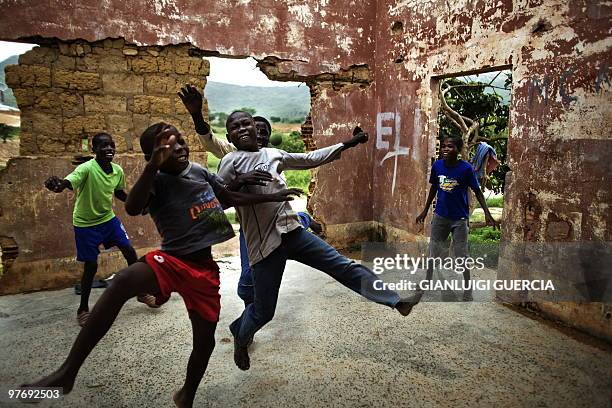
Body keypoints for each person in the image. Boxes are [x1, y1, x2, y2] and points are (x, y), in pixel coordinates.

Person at [23, 123, 301, 407]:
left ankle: (186, 396)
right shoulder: (155, 181)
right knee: (123, 281)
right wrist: (152, 167)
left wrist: (271, 196)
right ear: (153, 155)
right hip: (171, 259)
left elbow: (228, 197)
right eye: (167, 147)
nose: (179, 148)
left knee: (205, 343)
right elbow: (132, 207)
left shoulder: (199, 171)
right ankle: (67, 373)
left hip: (204, 269)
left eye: (180, 141)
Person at [216, 110, 418, 371]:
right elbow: (217, 202)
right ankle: (240, 336)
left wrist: (348, 143)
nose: (242, 129)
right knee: (264, 312)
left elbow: (311, 158)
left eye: (246, 124)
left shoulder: (273, 154)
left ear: (256, 130)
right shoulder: (230, 161)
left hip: (293, 232)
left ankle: (395, 300)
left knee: (343, 265)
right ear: (229, 134)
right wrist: (239, 181)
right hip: (266, 245)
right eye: (235, 127)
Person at [178, 84, 322, 308]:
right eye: (257, 129)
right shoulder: (233, 154)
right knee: (247, 280)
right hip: (252, 227)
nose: (261, 135)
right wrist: (196, 114)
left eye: (265, 132)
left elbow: (308, 159)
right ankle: (250, 316)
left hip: (280, 220)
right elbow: (209, 141)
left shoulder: (274, 156)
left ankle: (303, 219)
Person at [44, 132, 157, 327]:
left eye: (111, 145)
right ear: (93, 150)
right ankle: (83, 309)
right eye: (103, 146)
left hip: (108, 220)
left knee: (129, 252)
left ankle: (141, 292)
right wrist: (59, 185)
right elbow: (68, 182)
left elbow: (119, 193)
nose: (108, 149)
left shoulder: (117, 170)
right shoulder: (86, 168)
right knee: (91, 266)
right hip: (85, 224)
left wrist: (138, 204)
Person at [415, 135, 498, 301]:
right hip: (440, 217)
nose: (446, 149)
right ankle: (427, 282)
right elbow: (434, 189)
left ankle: (468, 290)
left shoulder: (465, 169)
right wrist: (425, 211)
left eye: (450, 146)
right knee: (433, 251)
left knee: (462, 256)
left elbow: (478, 191)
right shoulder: (437, 166)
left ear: (458, 150)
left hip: (459, 219)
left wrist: (487, 214)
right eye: (444, 146)